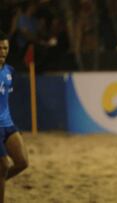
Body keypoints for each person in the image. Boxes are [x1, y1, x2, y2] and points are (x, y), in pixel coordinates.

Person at [0, 31, 29, 203]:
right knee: (3, 165)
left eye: (5, 48)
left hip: (8, 124)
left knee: (22, 162)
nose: (2, 51)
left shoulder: (10, 71)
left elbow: (6, 101)